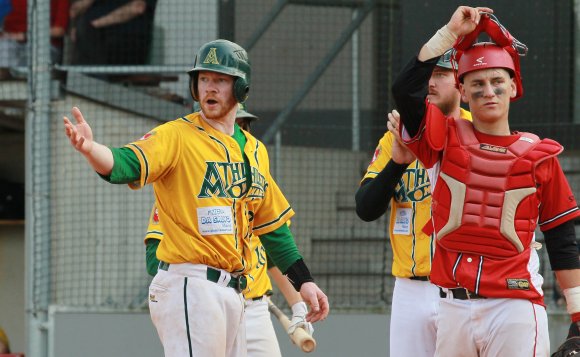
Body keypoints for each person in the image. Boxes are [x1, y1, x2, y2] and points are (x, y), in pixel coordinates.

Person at [63, 39, 329, 357]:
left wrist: (304, 281)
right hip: (190, 283)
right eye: (203, 79)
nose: (209, 88)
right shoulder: (176, 135)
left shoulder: (255, 151)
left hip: (236, 292)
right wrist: (92, 150)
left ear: (240, 86)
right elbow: (125, 164)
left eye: (220, 80)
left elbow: (272, 229)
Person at [392, 6, 580, 356]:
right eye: (477, 83)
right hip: (452, 308)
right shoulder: (443, 137)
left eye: (497, 81)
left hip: (514, 308)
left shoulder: (540, 156)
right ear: (461, 91)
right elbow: (405, 90)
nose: (488, 91)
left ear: (513, 86)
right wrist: (449, 32)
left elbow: (562, 239)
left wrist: (578, 314)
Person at [144, 103, 313, 357]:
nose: (239, 133)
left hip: (254, 307)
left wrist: (297, 303)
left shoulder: (255, 186)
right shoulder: (184, 193)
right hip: (206, 299)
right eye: (235, 126)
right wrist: (203, 277)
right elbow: (153, 259)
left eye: (243, 126)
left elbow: (274, 253)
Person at [355, 51, 471, 357]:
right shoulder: (396, 137)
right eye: (427, 76)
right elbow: (366, 209)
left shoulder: (477, 133)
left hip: (463, 286)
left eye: (441, 75)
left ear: (460, 83)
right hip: (409, 287)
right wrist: (396, 163)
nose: (430, 84)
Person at [69, 0, 157, 65]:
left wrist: (92, 27)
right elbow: (74, 12)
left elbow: (138, 8)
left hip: (125, 40)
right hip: (92, 39)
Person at [0, 0, 69, 78]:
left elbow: (59, 30)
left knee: (34, 61)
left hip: (45, 46)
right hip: (12, 43)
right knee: (3, 46)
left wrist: (25, 35)